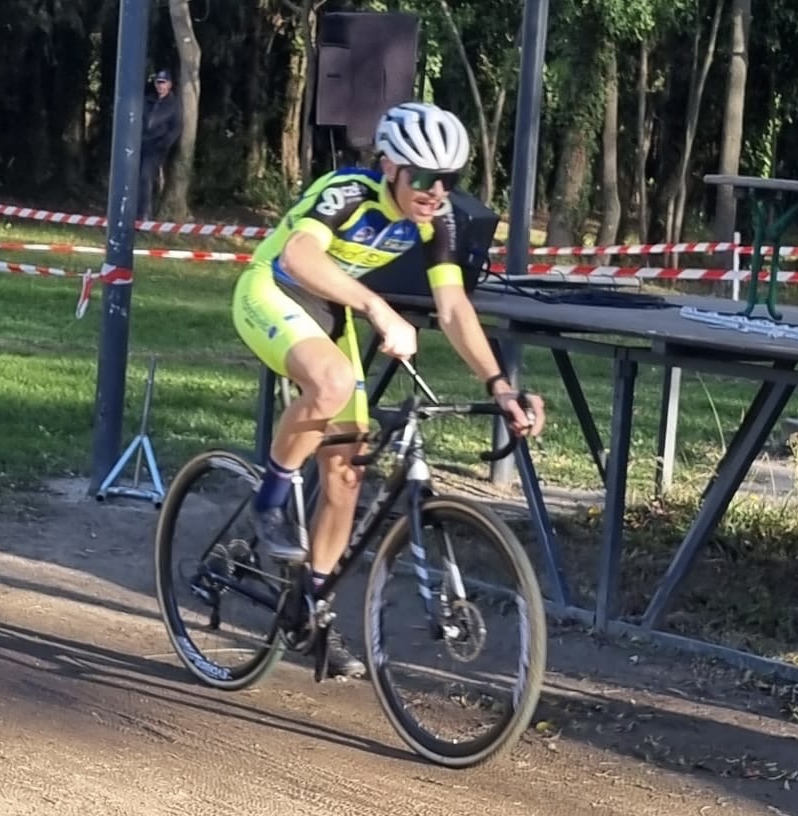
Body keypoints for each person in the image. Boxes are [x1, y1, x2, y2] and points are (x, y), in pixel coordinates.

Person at [231, 101, 547, 679]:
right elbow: (299, 257)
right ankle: (269, 502)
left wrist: (500, 385)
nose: (436, 192)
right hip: (273, 290)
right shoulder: (348, 190)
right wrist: (376, 306)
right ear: (390, 166)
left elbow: (453, 309)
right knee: (331, 382)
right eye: (424, 178)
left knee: (347, 477)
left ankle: (311, 612)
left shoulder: (438, 220)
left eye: (450, 180)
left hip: (332, 308)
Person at [137, 69, 180, 221]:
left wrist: (163, 144)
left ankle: (145, 214)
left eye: (163, 83)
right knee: (136, 177)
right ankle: (134, 211)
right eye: (158, 82)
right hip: (141, 144)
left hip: (156, 148)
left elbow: (175, 129)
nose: (160, 86)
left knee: (145, 176)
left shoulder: (174, 105)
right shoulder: (147, 100)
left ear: (170, 84)